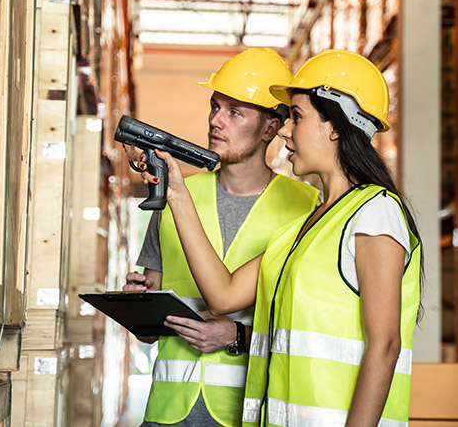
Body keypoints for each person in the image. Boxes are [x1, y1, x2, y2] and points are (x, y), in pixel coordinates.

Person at [140, 49, 423, 426]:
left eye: (297, 117)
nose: (285, 130)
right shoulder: (306, 226)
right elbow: (222, 296)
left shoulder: (375, 212)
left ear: (336, 126)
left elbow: (385, 346)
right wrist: (176, 193)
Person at [124, 47, 319, 427]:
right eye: (215, 107)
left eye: (234, 112)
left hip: (247, 410)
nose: (216, 121)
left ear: (269, 128)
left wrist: (236, 335)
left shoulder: (307, 207)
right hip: (167, 411)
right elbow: (148, 336)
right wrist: (137, 307)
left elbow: (308, 330)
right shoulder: (173, 195)